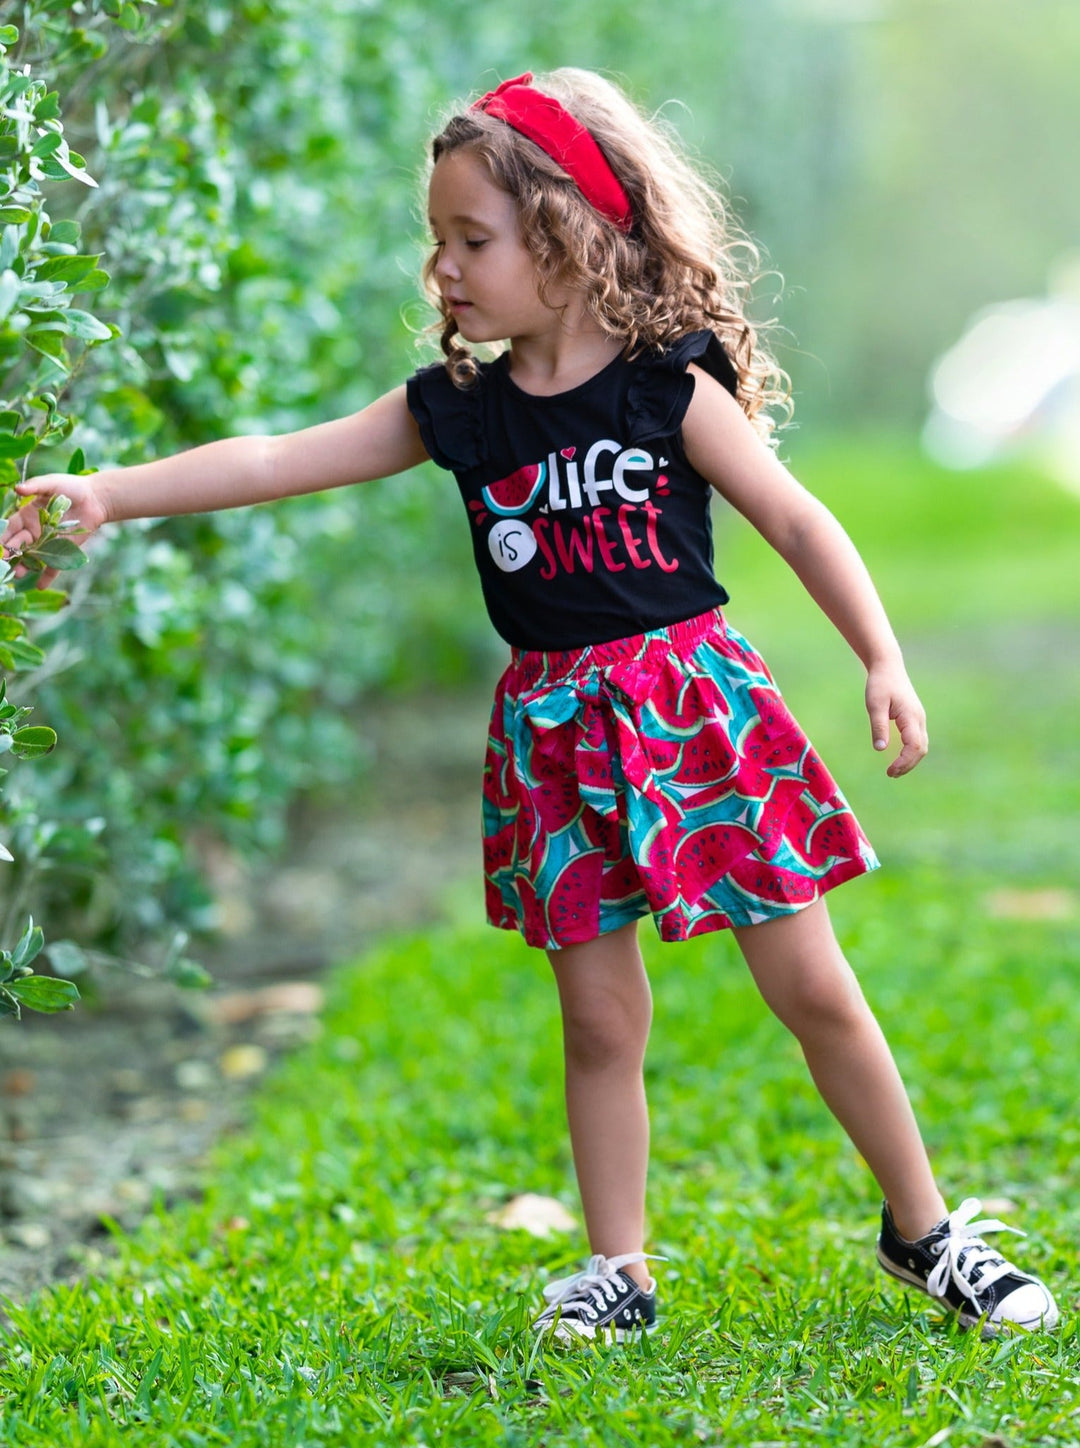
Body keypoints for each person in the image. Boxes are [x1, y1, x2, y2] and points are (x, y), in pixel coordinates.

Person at [2, 68, 1057, 1342]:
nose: (443, 269)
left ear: (566, 236)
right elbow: (281, 458)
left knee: (815, 986)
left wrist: (881, 656)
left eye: (473, 240)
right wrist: (112, 491)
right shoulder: (458, 413)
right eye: (437, 241)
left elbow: (793, 517)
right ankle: (620, 1266)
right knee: (600, 1018)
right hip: (556, 737)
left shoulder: (667, 390)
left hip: (698, 715)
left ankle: (925, 1230)